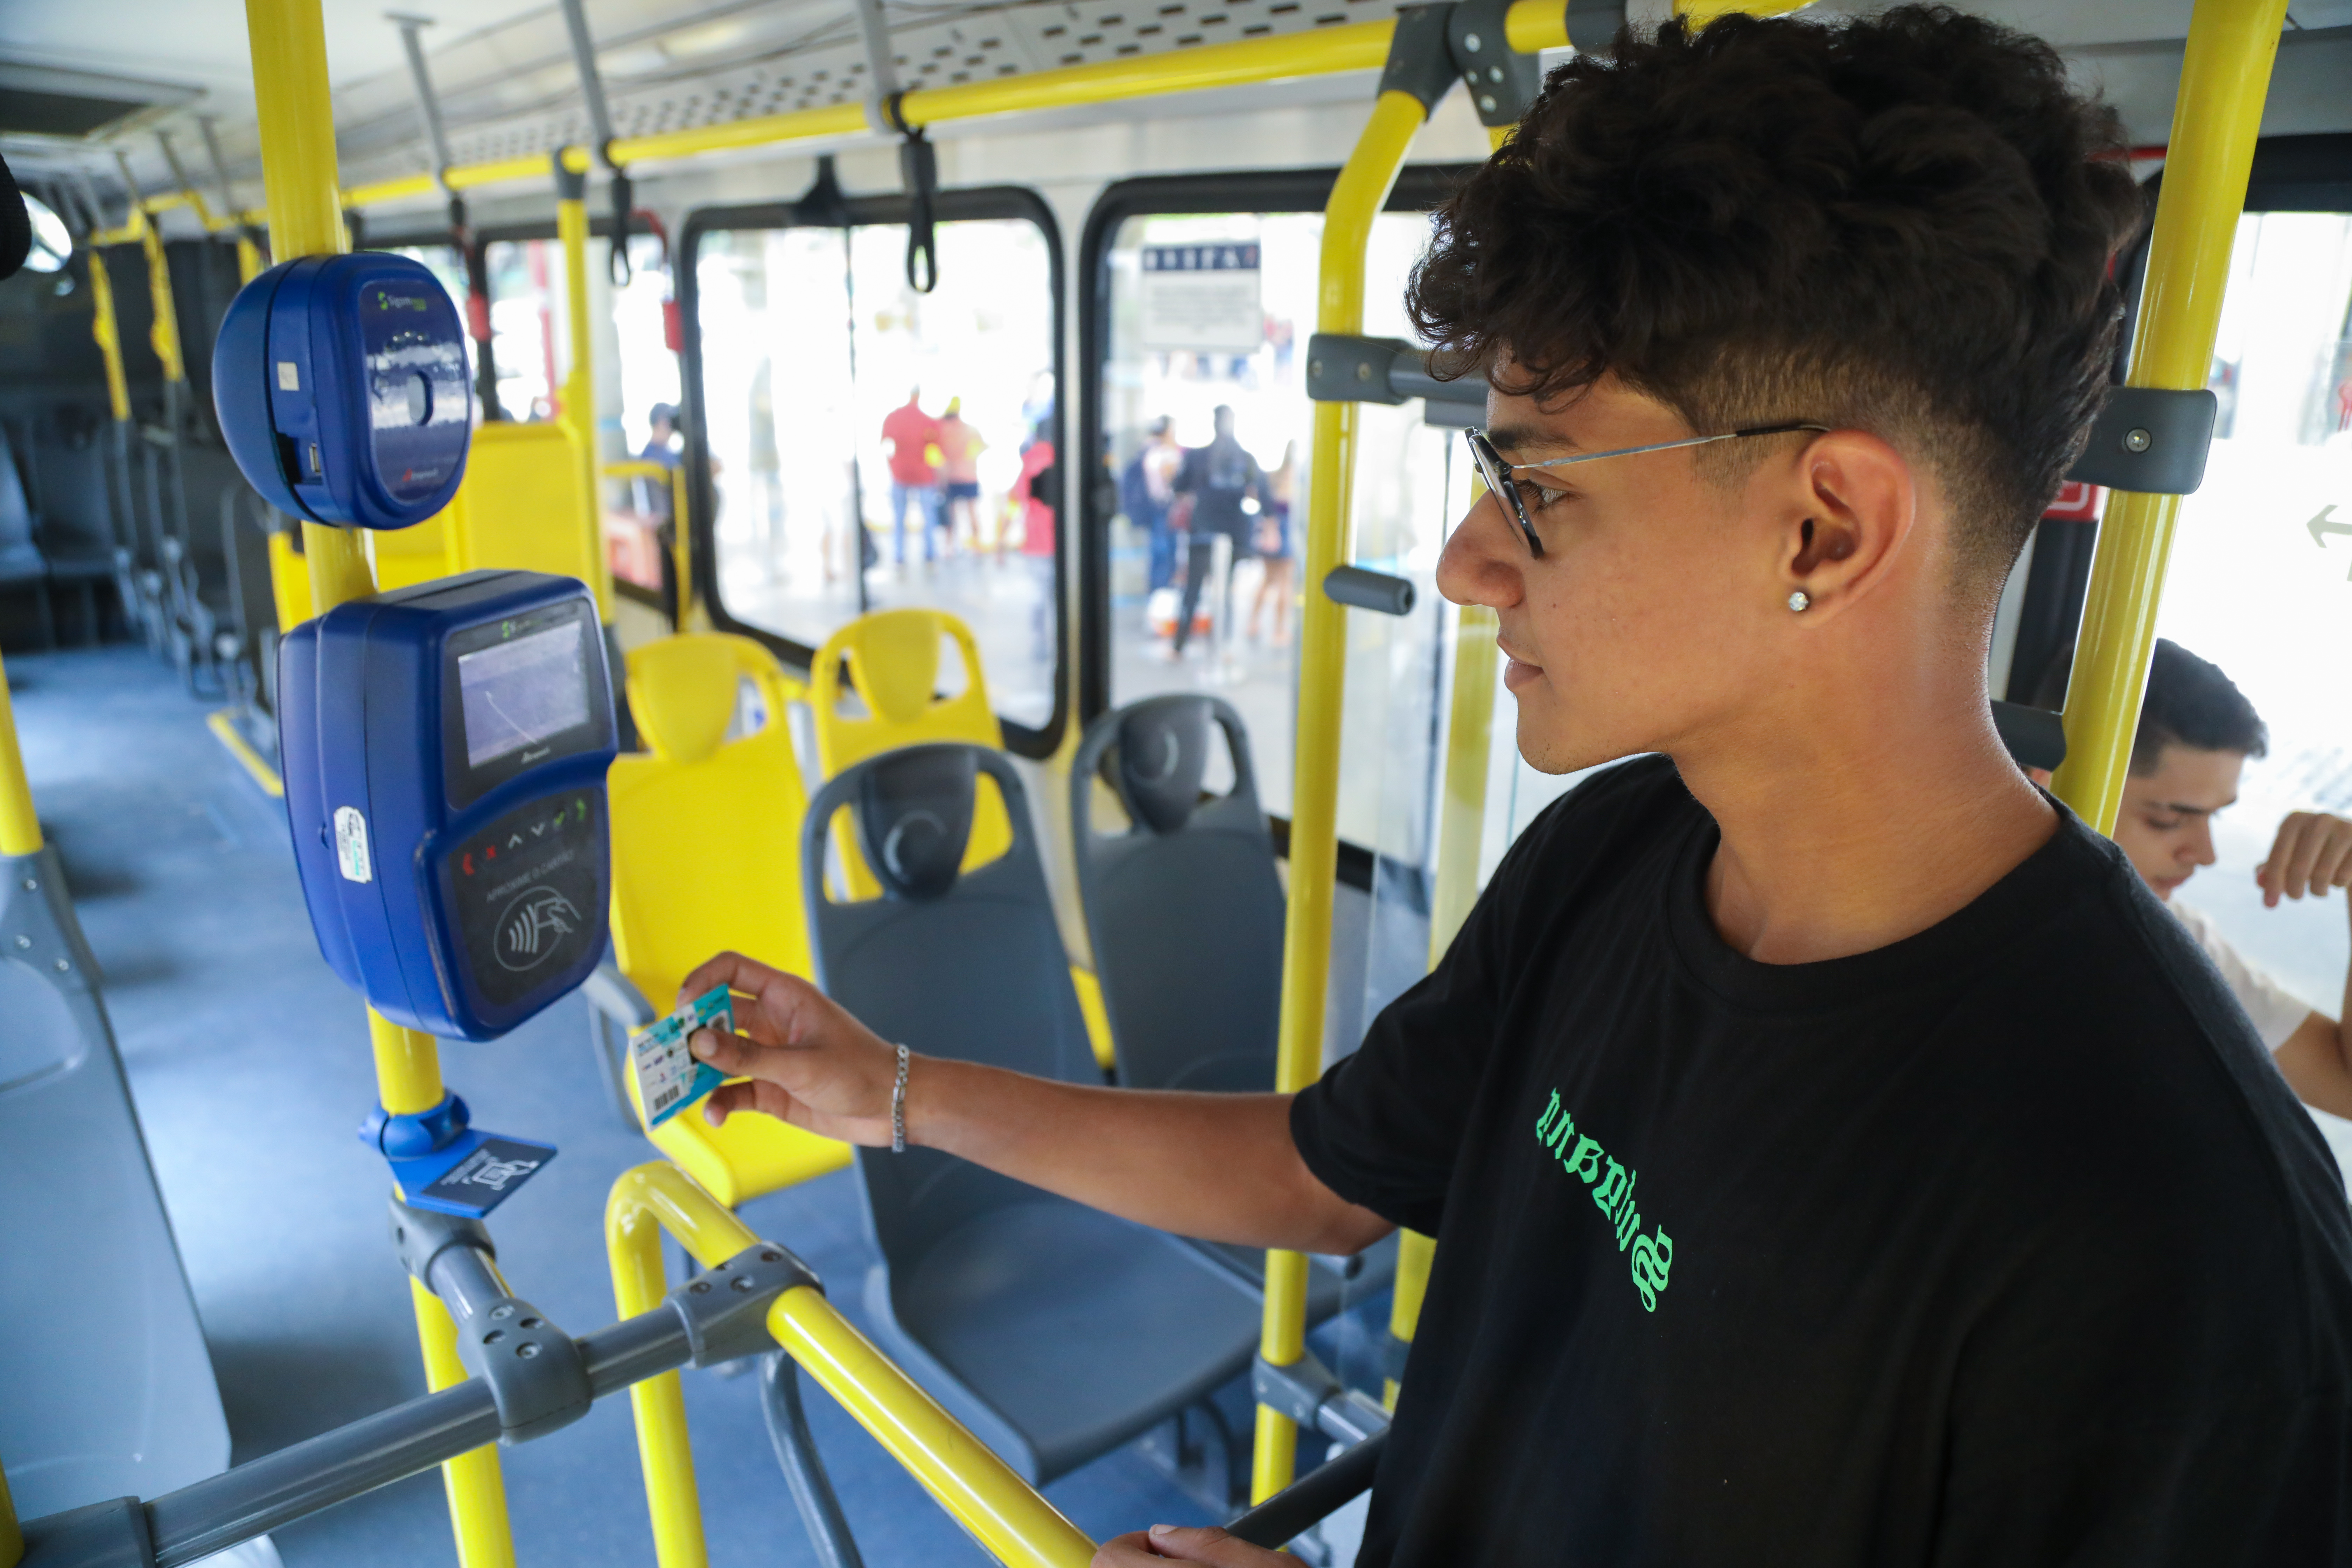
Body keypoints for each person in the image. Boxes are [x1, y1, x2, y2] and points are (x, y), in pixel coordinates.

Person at [678, 12, 2352, 1567]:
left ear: (1825, 532)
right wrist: (889, 1087)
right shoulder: (1622, 855)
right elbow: (1330, 1177)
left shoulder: (2176, 1251)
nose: (1475, 564)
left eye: (1535, 484)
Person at [2030, 638, 2352, 1117]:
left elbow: (2344, 1085)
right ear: (2048, 783)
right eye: (2168, 819)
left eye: (2214, 818)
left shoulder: (2178, 942)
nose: (2205, 854)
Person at [1169, 405, 1260, 659]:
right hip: (1222, 533)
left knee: (1199, 589)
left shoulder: (1207, 457)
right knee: (1215, 589)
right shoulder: (1241, 457)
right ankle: (1216, 645)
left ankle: (1196, 645)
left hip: (1211, 532)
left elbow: (1179, 487)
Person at [1013, 418, 1058, 664]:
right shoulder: (1065, 459)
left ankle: (1040, 641)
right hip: (1062, 542)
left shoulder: (1029, 460)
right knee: (1060, 595)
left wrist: (1001, 540)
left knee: (1039, 595)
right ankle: (1062, 640)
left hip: (1037, 542)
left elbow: (1018, 499)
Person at [880, 387, 941, 565]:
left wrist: (893, 465)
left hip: (901, 474)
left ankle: (900, 555)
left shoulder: (894, 418)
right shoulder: (927, 421)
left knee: (900, 516)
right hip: (922, 476)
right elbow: (935, 452)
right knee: (927, 515)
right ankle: (929, 554)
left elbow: (885, 445)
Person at [1120, 416, 1182, 592]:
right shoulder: (1162, 453)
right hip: (1162, 508)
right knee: (1163, 554)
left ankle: (1159, 591)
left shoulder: (1147, 450)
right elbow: (1170, 479)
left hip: (1156, 508)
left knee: (1160, 553)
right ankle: (1161, 592)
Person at [1246, 440, 1295, 646]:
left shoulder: (1273, 476)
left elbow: (1256, 494)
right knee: (1285, 582)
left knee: (1267, 580)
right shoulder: (1298, 479)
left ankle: (1253, 623)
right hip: (1285, 532)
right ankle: (1279, 631)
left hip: (1269, 530)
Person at [935, 397, 986, 554]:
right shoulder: (970, 430)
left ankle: (950, 547)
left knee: (952, 514)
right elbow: (982, 447)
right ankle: (976, 546)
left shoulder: (944, 431)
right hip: (969, 475)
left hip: (953, 476)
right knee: (971, 512)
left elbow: (938, 454)